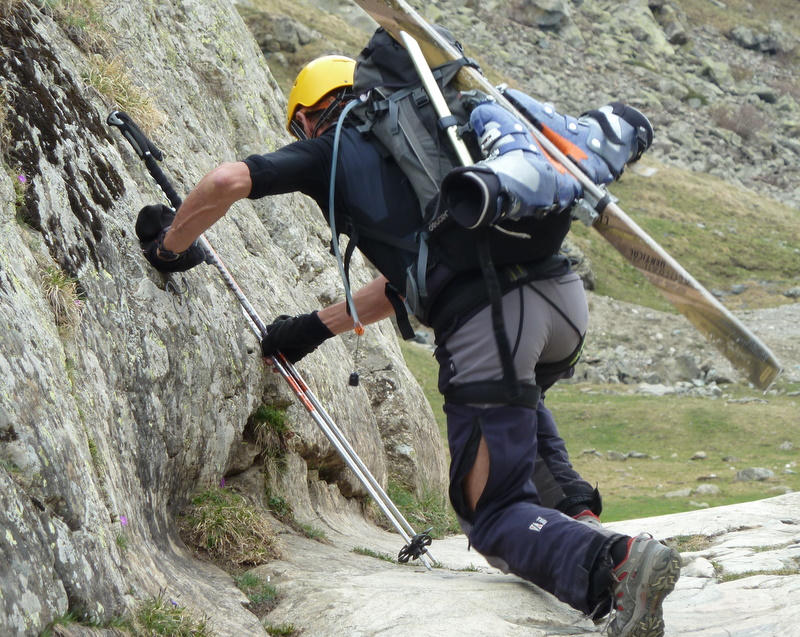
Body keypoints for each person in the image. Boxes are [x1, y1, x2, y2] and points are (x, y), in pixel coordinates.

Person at [135, 53, 681, 636]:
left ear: (311, 116)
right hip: (561, 303)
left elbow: (226, 181)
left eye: (299, 125)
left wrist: (170, 245)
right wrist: (311, 329)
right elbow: (410, 280)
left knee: (492, 515)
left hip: (492, 322)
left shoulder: (329, 150)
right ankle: (579, 522)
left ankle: (614, 563)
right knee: (514, 414)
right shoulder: (442, 135)